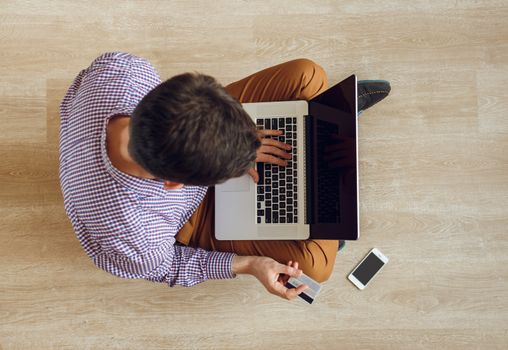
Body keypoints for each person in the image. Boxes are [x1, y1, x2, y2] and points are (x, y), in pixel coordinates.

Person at [59, 52, 390, 301]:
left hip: (177, 145)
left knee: (307, 73)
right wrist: (249, 265)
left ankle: (318, 166)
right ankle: (325, 141)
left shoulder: (124, 71)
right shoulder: (135, 238)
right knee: (317, 267)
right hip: (185, 221)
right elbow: (171, 267)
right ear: (176, 185)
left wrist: (233, 138)